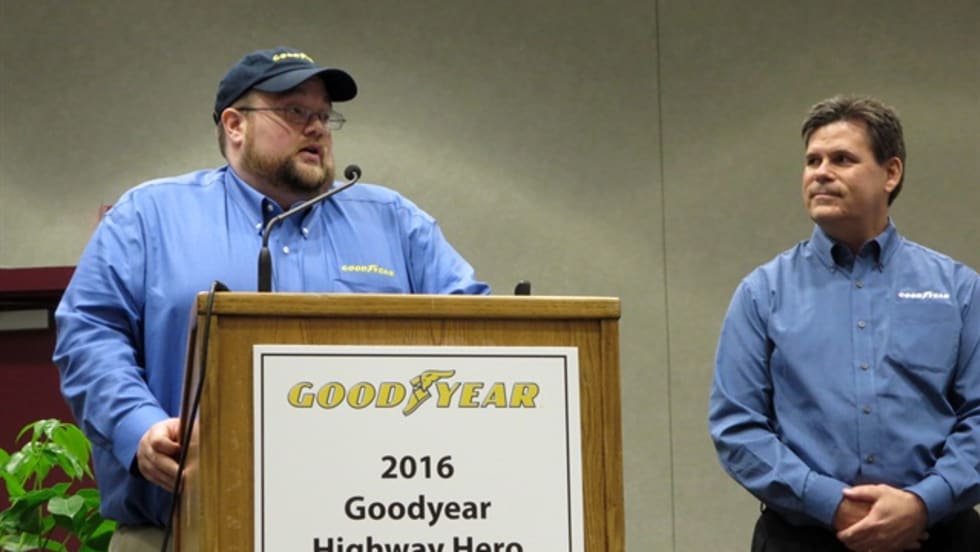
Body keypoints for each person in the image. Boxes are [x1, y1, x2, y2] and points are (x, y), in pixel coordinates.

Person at [53, 46, 489, 551]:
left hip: (365, 528)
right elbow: (89, 334)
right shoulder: (149, 216)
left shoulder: (395, 222)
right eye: (295, 111)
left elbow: (480, 333)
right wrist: (140, 427)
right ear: (235, 125)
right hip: (182, 528)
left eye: (324, 115)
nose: (317, 127)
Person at [709, 95, 980, 551]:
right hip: (803, 538)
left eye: (842, 159)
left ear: (890, 173)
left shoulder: (959, 290)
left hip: (937, 534)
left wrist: (923, 503)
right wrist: (831, 503)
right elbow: (737, 427)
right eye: (812, 160)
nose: (820, 172)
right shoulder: (762, 293)